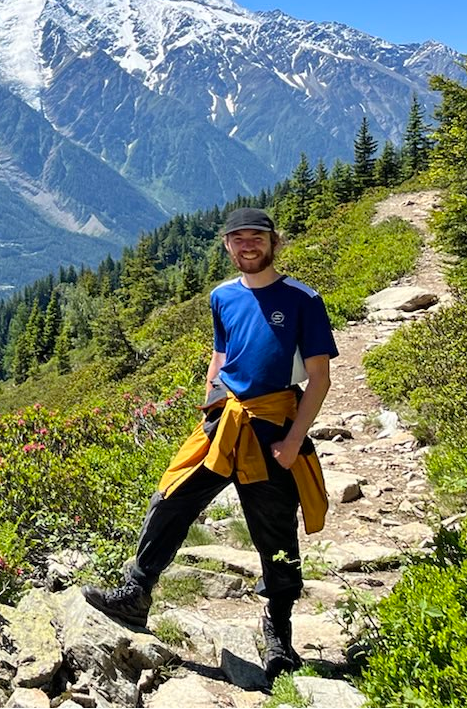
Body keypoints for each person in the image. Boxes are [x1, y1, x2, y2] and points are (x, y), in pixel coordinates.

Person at [83, 206, 336, 682]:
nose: (247, 245)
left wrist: (293, 440)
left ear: (273, 241)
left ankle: (278, 634)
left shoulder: (304, 299)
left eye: (256, 237)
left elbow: (319, 378)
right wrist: (211, 405)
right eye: (237, 239)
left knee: (276, 532)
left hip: (272, 427)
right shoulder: (221, 296)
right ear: (226, 245)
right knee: (172, 498)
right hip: (225, 422)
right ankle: (137, 594)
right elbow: (220, 354)